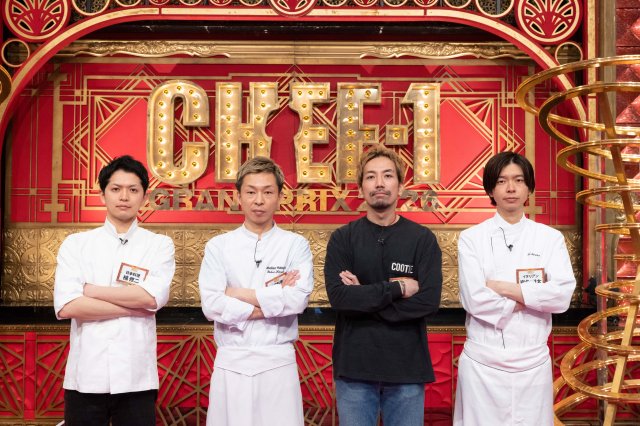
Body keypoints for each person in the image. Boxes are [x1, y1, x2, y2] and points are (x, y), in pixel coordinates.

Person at [453, 151, 576, 425]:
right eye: (502, 181)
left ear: (529, 187)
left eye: (518, 180)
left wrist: (504, 288)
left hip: (533, 363)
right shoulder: (472, 238)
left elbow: (561, 295)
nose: (511, 188)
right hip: (483, 364)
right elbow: (474, 299)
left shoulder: (550, 238)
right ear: (490, 190)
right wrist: (533, 298)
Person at [324, 145, 443, 426]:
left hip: (406, 370)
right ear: (360, 188)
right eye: (371, 176)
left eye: (388, 176)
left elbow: (428, 301)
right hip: (354, 369)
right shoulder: (343, 239)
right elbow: (340, 298)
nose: (379, 183)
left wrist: (364, 297)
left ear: (400, 186)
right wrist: (397, 289)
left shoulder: (422, 239)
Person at [53, 155, 175, 426]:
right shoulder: (76, 244)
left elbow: (151, 297)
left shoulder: (159, 245)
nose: (124, 197)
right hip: (85, 375)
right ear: (102, 194)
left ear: (144, 197)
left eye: (133, 190)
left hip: (136, 377)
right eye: (116, 189)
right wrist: (134, 308)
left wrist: (91, 290)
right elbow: (68, 306)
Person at [198, 156, 313, 426]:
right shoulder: (218, 246)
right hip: (232, 360)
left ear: (280, 197)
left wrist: (235, 293)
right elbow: (212, 305)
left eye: (268, 192)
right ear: (238, 196)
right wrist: (273, 302)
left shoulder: (295, 245)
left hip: (278, 360)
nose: (259, 200)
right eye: (251, 192)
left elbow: (297, 300)